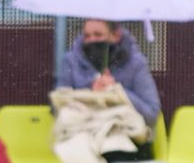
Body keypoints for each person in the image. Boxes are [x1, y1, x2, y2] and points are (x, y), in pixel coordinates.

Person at [57, 18, 162, 152]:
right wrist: (90, 92)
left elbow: (151, 114)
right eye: (87, 36)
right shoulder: (71, 62)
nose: (91, 41)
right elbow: (57, 109)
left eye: (98, 35)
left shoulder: (136, 64)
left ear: (115, 35)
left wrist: (117, 90)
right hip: (83, 141)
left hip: (128, 141)